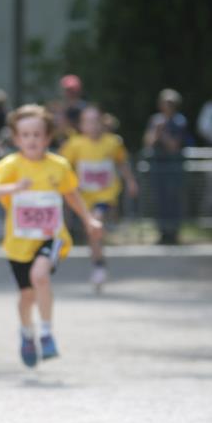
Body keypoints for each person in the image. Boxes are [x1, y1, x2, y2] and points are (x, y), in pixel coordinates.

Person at [0, 104, 102, 368]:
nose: (31, 140)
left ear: (47, 138)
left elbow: (71, 193)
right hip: (18, 243)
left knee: (40, 276)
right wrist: (14, 187)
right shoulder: (11, 165)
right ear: (16, 139)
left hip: (52, 236)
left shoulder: (59, 166)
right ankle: (26, 333)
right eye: (25, 135)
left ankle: (46, 333)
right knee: (27, 296)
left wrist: (88, 219)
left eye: (37, 134)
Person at [60, 105, 138, 292]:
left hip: (106, 194)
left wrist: (131, 182)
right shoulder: (75, 144)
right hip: (84, 197)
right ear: (81, 125)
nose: (92, 126)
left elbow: (122, 163)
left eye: (95, 121)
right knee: (92, 230)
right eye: (87, 122)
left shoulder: (112, 142)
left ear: (102, 123)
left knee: (96, 221)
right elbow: (62, 166)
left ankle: (99, 265)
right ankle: (98, 261)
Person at [143, 88, 191, 245]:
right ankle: (162, 233)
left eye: (169, 103)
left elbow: (173, 146)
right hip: (158, 168)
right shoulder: (155, 120)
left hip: (173, 168)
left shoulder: (180, 121)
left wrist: (162, 133)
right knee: (160, 200)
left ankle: (174, 233)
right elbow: (148, 142)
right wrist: (156, 132)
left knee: (174, 200)